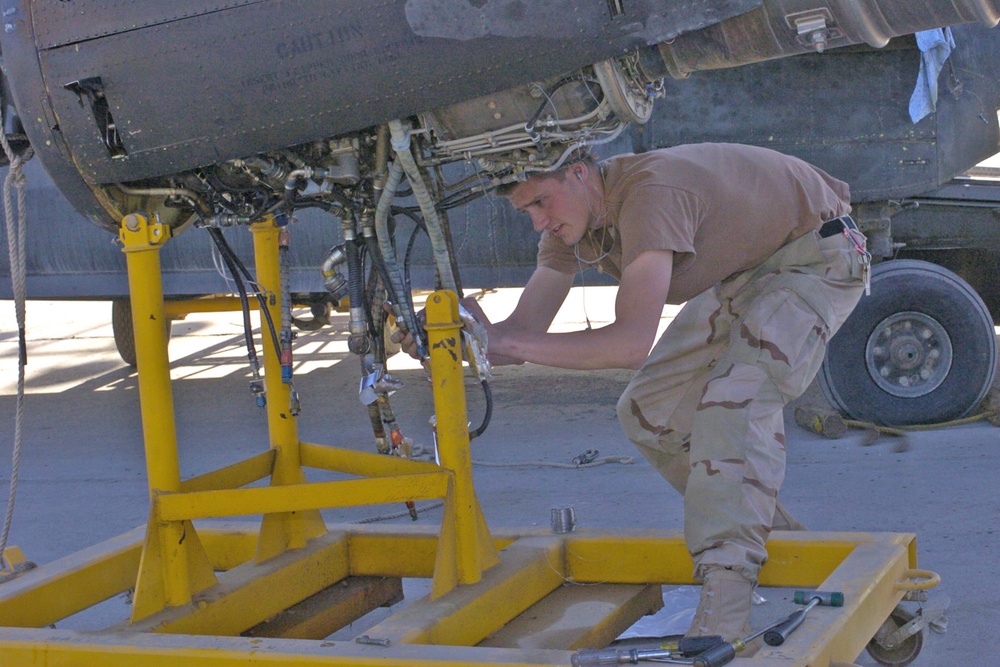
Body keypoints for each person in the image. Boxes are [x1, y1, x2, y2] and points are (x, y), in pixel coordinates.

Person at [399, 143, 868, 642]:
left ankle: (726, 604)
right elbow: (520, 335)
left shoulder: (648, 193)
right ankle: (793, 548)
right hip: (746, 275)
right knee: (650, 411)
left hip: (814, 258)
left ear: (578, 174)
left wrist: (503, 340)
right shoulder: (574, 222)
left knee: (734, 401)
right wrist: (452, 339)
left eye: (541, 203)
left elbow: (629, 342)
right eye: (526, 211)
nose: (538, 222)